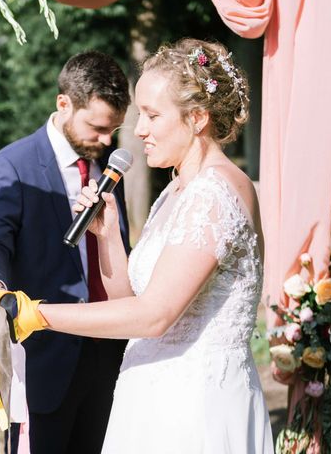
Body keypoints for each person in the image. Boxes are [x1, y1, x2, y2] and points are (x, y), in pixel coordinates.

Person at [18, 39, 273, 453]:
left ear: (197, 117)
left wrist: (38, 313)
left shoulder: (215, 194)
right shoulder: (175, 191)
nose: (138, 130)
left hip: (195, 408)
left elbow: (154, 317)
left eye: (153, 116)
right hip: (151, 397)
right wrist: (106, 237)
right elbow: (133, 300)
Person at [0, 51, 131, 453]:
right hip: (41, 358)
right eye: (97, 127)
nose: (107, 140)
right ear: (64, 103)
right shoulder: (12, 165)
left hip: (109, 357)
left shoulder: (109, 168)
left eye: (114, 130)